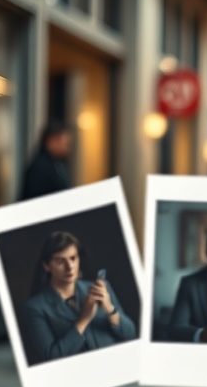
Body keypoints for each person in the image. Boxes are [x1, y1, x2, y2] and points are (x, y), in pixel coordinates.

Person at [23, 231, 136, 365]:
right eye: (60, 261)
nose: (70, 267)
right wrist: (84, 319)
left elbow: (131, 334)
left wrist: (109, 307)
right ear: (46, 266)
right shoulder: (35, 308)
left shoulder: (100, 287)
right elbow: (51, 356)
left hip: (118, 364)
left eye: (73, 258)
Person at [20, 121, 73, 201]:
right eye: (64, 144)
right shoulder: (39, 167)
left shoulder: (58, 163)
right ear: (52, 141)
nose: (67, 149)